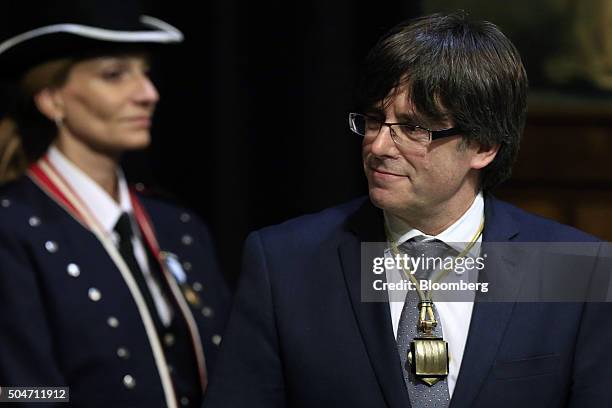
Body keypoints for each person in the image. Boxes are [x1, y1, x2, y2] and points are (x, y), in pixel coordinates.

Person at [203, 12, 612, 408]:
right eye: (375, 120)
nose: (378, 147)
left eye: (414, 128)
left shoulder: (576, 269)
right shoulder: (285, 263)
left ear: (484, 146)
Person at [0, 1, 229, 407]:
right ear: (53, 100)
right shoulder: (13, 228)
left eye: (145, 74)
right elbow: (21, 391)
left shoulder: (179, 226)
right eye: (114, 75)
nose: (148, 94)